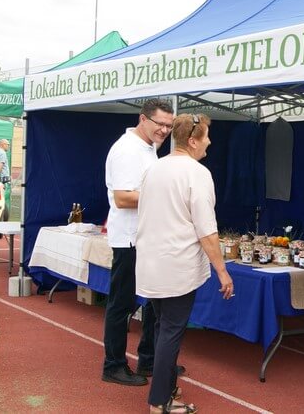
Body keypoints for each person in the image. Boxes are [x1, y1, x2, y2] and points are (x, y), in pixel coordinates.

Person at [136, 113, 234, 414]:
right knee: (170, 332)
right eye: (205, 137)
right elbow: (207, 230)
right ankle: (159, 401)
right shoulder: (197, 173)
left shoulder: (154, 169)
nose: (209, 142)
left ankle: (165, 389)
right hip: (177, 266)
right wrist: (222, 271)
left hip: (151, 263)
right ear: (192, 141)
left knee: (162, 327)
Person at [102, 98, 180, 387]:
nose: (165, 130)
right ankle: (113, 365)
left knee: (154, 302)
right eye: (160, 124)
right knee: (122, 304)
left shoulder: (149, 148)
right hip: (129, 239)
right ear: (143, 119)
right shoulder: (127, 149)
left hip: (148, 238)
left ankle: (150, 359)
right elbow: (123, 198)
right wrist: (165, 196)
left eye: (169, 126)